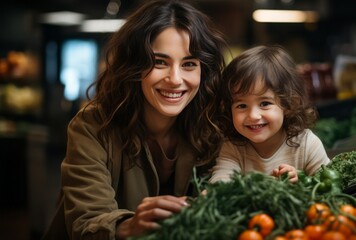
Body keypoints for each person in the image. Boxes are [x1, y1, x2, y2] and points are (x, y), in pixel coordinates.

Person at [42, 0, 227, 239]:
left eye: (189, 64)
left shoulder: (212, 126)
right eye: (159, 62)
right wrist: (128, 226)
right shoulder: (92, 125)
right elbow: (86, 222)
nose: (175, 79)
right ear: (134, 64)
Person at [209, 45, 330, 183]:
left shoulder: (307, 145)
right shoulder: (233, 148)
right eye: (242, 106)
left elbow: (330, 185)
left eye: (265, 103)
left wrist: (302, 181)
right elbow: (220, 182)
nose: (253, 115)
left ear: (289, 104)